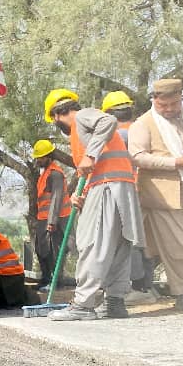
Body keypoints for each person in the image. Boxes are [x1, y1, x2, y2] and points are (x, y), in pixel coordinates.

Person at [43, 89, 144, 321]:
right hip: (118, 187)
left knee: (92, 243)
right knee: (118, 246)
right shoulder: (81, 133)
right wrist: (83, 194)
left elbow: (108, 121)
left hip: (109, 187)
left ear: (57, 114)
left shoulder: (81, 116)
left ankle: (83, 304)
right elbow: (93, 169)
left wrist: (90, 154)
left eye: (54, 119)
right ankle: (115, 303)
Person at [128, 79, 183, 311]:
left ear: (181, 99)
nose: (169, 109)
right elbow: (137, 156)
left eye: (173, 104)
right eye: (163, 105)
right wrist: (175, 162)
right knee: (178, 246)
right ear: (154, 100)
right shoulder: (143, 124)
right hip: (164, 194)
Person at [102, 90, 156, 302]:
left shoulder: (117, 136)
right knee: (144, 240)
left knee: (129, 239)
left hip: (128, 191)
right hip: (148, 190)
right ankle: (146, 286)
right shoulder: (142, 130)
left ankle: (136, 288)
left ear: (109, 115)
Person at [31, 140, 72, 290]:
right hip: (44, 218)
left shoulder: (55, 174)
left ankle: (55, 282)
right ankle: (46, 278)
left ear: (49, 156)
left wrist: (52, 221)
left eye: (40, 157)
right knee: (41, 249)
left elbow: (57, 198)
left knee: (54, 251)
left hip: (56, 219)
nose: (38, 160)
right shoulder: (46, 173)